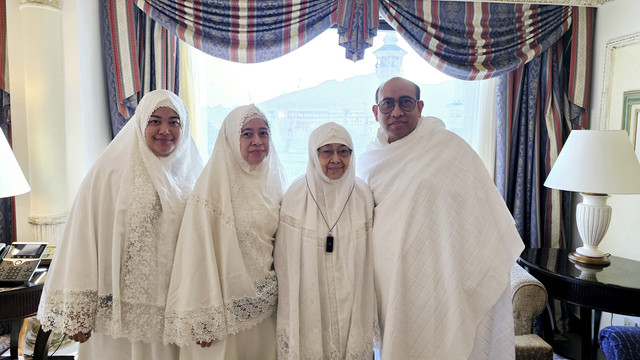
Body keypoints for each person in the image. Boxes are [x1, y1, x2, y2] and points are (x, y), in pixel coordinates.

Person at [358, 77, 524, 359]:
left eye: (405, 102)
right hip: (388, 279)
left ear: (420, 107)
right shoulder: (367, 159)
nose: (396, 111)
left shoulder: (449, 147)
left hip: (441, 273)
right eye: (387, 104)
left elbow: (480, 210)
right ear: (376, 112)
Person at [37, 89, 203, 360]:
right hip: (117, 318)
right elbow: (82, 238)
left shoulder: (194, 175)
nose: (165, 129)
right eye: (155, 121)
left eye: (174, 121)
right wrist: (79, 308)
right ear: (140, 124)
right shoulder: (108, 173)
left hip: (174, 313)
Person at [163, 104, 286, 359]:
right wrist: (203, 316)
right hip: (222, 316)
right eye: (247, 134)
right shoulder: (211, 188)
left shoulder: (275, 183)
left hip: (264, 312)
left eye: (263, 133)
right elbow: (195, 254)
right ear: (230, 138)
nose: (257, 141)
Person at [274, 122, 377, 360]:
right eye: (326, 151)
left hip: (353, 296)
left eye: (343, 151)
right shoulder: (296, 195)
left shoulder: (362, 195)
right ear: (313, 154)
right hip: (310, 299)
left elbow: (371, 256)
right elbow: (285, 261)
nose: (335, 159)